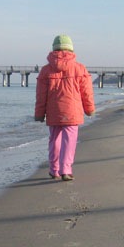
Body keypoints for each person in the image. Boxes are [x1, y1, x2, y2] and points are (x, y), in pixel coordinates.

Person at [34, 34, 95, 181]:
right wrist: (89, 109)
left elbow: (41, 95)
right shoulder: (79, 68)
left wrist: (39, 114)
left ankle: (54, 169)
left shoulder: (45, 70)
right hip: (72, 111)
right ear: (71, 49)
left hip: (53, 111)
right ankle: (66, 169)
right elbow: (86, 92)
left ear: (54, 49)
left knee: (54, 139)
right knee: (69, 140)